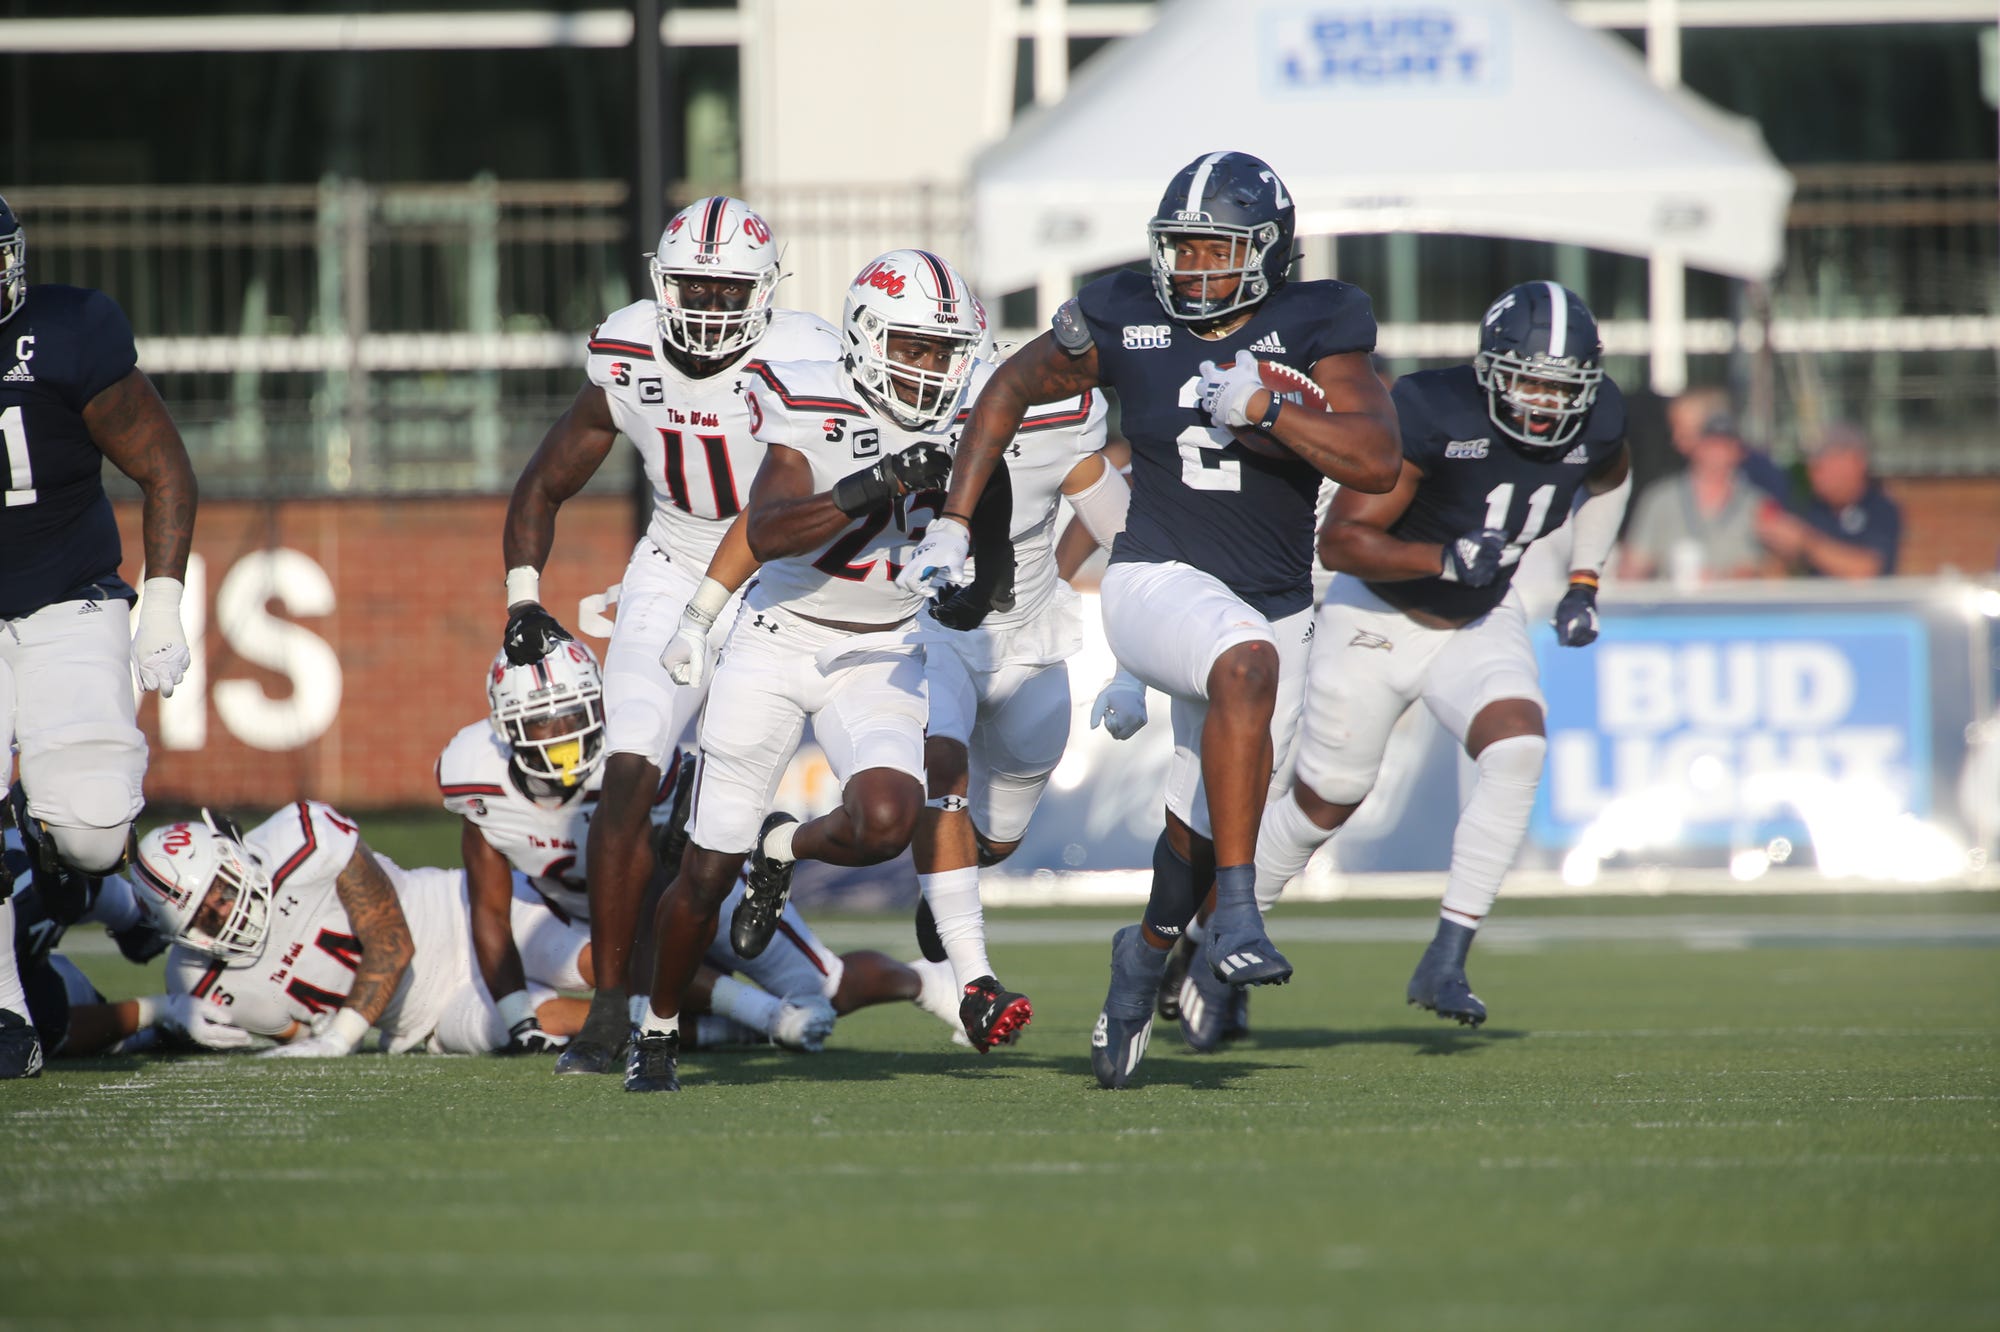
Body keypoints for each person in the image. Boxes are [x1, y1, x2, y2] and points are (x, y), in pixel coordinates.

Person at [900, 151, 1400, 1090]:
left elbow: (1375, 460)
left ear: (1266, 252)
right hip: (1153, 579)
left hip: (1277, 600)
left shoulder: (1322, 323)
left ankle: (1146, 954)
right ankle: (1242, 918)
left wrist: (1271, 412)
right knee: (1244, 668)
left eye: (1216, 249)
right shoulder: (1128, 311)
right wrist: (957, 521)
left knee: (1203, 826)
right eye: (1184, 248)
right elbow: (1006, 389)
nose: (1194, 269)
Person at [496, 196, 841, 1076]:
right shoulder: (629, 350)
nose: (709, 307)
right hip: (681, 559)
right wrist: (523, 599)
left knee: (727, 811)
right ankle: (611, 1012)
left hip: (784, 576)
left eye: (729, 292)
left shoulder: (808, 352)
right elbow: (542, 483)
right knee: (628, 774)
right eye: (693, 286)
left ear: (765, 294)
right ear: (661, 282)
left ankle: (691, 978)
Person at [624, 247, 981, 1093]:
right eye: (912, 347)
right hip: (777, 638)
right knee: (706, 868)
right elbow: (773, 524)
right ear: (864, 339)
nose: (928, 370)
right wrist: (876, 483)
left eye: (941, 351)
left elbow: (986, 535)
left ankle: (782, 847)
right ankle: (658, 1030)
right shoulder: (808, 396)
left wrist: (972, 593)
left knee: (890, 818)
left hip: (882, 648)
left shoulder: (969, 422)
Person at [1253, 281, 1632, 1029]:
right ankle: (1213, 936)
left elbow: (1611, 475)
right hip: (1378, 616)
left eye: (1562, 388)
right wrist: (1443, 556)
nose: (1544, 403)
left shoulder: (1603, 415)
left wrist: (1585, 580)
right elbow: (1342, 542)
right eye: (1528, 380)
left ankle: (1447, 960)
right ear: (1491, 368)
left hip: (1479, 616)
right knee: (1327, 799)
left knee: (1519, 747)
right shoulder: (1428, 412)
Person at [438, 645, 960, 1054]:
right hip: (568, 912)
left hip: (694, 885)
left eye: (573, 717)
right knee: (595, 966)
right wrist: (516, 1019)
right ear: (507, 728)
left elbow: (652, 901)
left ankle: (918, 981)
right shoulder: (476, 775)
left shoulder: (635, 761)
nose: (562, 738)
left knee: (823, 990)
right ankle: (736, 1028)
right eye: (542, 723)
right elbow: (487, 902)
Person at [0, 193, 197, 1079]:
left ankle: (84, 879)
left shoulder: (70, 332)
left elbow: (164, 467)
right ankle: (8, 1011)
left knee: (86, 825)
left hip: (64, 599)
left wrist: (160, 603)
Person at [123, 803, 590, 1056]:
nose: (226, 914)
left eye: (221, 892)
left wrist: (341, 1037)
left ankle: (654, 999)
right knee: (521, 1025)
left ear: (234, 854)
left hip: (459, 914)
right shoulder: (198, 981)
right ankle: (637, 1024)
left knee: (578, 962)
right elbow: (298, 1039)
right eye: (203, 917)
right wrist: (164, 1019)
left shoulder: (300, 837)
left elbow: (391, 938)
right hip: (427, 1018)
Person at [1619, 411, 1776, 583]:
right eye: (1710, 444)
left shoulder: (1758, 504)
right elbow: (1633, 567)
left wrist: (1747, 573)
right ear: (1696, 447)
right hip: (1673, 604)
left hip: (1737, 605)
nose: (1717, 453)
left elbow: (1779, 568)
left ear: (1738, 452)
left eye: (1725, 446)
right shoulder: (1661, 499)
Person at [1754, 423, 1901, 578]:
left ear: (1856, 461)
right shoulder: (1809, 507)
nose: (1814, 470)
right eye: (1812, 461)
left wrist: (1806, 542)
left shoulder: (1880, 508)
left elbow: (1866, 571)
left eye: (1825, 459)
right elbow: (1776, 576)